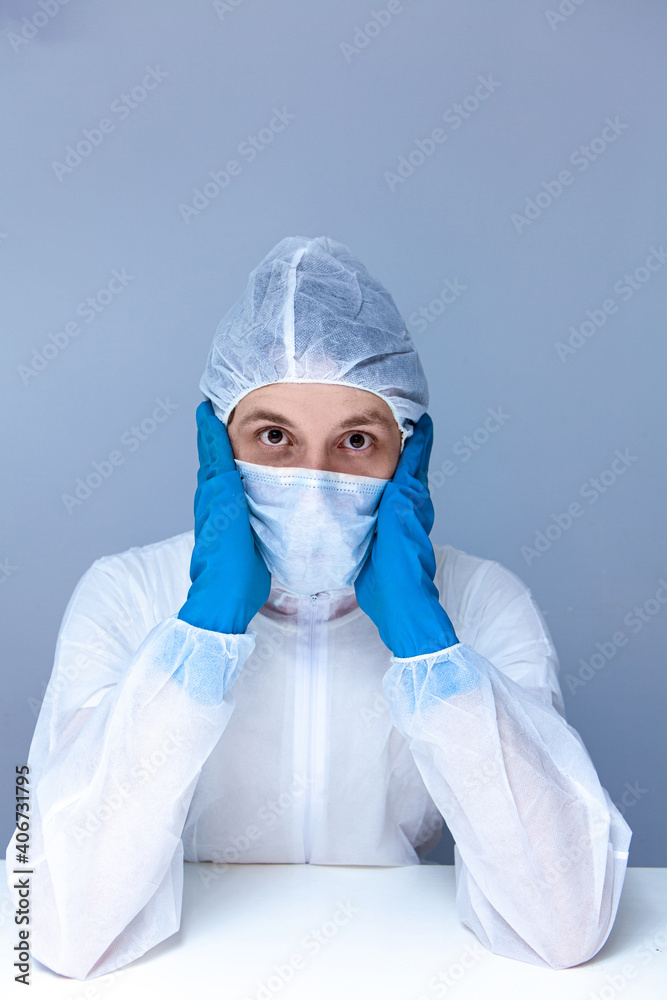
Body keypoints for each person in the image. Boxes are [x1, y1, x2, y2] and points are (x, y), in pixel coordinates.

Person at [7, 236, 631, 980]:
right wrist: (200, 634)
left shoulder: (481, 602)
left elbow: (563, 926)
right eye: (273, 436)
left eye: (356, 441)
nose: (314, 474)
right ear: (215, 445)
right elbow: (51, 928)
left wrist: (428, 646)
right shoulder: (127, 594)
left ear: (407, 456)